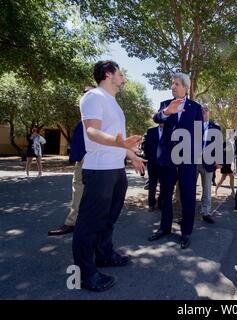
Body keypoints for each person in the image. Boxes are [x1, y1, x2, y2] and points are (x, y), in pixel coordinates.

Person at [72, 60, 146, 292]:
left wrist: (130, 154)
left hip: (116, 170)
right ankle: (84, 274)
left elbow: (118, 140)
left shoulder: (113, 102)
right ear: (108, 74)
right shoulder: (93, 96)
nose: (123, 78)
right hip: (99, 170)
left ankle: (104, 255)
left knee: (109, 218)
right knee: (89, 223)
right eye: (121, 74)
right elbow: (92, 131)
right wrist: (118, 142)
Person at [148, 72, 203, 250]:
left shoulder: (195, 107)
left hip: (187, 158)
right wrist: (166, 112)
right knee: (165, 195)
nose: (173, 86)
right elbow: (156, 118)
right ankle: (164, 227)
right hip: (167, 158)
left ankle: (186, 232)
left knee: (187, 195)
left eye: (176, 84)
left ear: (185, 87)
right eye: (172, 84)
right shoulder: (165, 104)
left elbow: (198, 134)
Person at [48, 87, 94, 236]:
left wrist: (86, 157)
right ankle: (74, 223)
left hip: (90, 162)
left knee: (85, 192)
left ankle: (75, 223)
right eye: (84, 93)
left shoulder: (96, 117)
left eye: (89, 93)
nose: (85, 95)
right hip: (82, 161)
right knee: (78, 191)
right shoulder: (85, 118)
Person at [196, 105, 222, 224]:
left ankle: (205, 212)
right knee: (190, 187)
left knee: (206, 189)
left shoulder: (216, 128)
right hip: (193, 161)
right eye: (201, 110)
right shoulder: (193, 126)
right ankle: (188, 212)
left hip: (209, 162)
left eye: (206, 110)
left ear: (209, 112)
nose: (203, 112)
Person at [142, 123, 164, 211]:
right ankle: (151, 204)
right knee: (152, 184)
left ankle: (161, 203)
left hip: (164, 164)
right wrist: (148, 159)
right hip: (152, 163)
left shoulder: (170, 130)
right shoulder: (151, 131)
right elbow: (146, 146)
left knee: (163, 185)